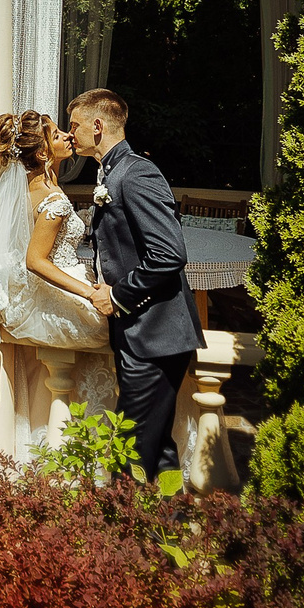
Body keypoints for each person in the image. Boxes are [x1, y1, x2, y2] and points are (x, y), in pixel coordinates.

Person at [66, 88, 200, 479]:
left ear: (97, 125)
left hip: (156, 334)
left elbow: (169, 254)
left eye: (74, 126)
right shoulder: (110, 172)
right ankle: (169, 523)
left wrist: (118, 295)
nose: (69, 134)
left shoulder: (137, 172)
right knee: (155, 447)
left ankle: (124, 533)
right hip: (138, 334)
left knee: (132, 451)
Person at [0, 109, 118, 417]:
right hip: (61, 285)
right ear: (42, 152)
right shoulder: (53, 199)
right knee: (115, 325)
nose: (68, 135)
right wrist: (88, 293)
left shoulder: (41, 185)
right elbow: (36, 260)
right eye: (57, 135)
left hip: (59, 278)